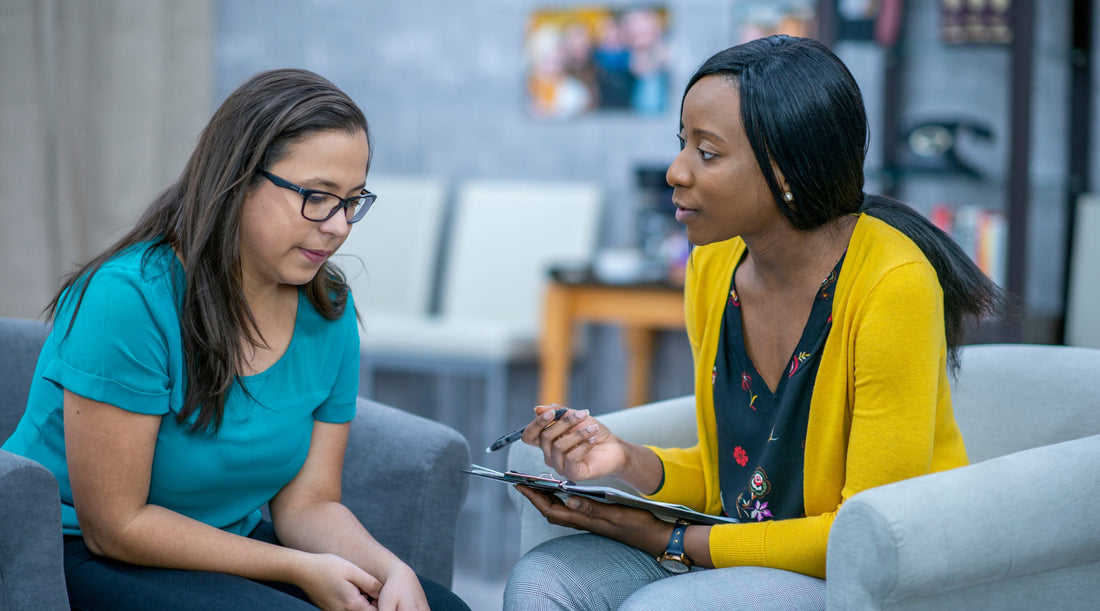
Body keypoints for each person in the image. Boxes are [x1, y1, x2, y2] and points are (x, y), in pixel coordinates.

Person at [504, 35, 1005, 610]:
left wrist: (671, 539)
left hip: (861, 580)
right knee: (545, 581)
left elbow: (867, 531)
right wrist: (625, 462)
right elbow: (738, 477)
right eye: (682, 143)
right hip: (737, 551)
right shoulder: (715, 263)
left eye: (707, 152)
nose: (675, 171)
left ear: (788, 170)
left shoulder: (893, 285)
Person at [2, 68, 469, 611]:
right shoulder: (128, 298)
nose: (339, 226)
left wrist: (390, 570)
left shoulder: (329, 308)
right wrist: (299, 567)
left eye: (351, 201)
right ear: (238, 178)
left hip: (224, 543)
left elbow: (309, 504)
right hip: (80, 552)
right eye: (317, 196)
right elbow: (117, 526)